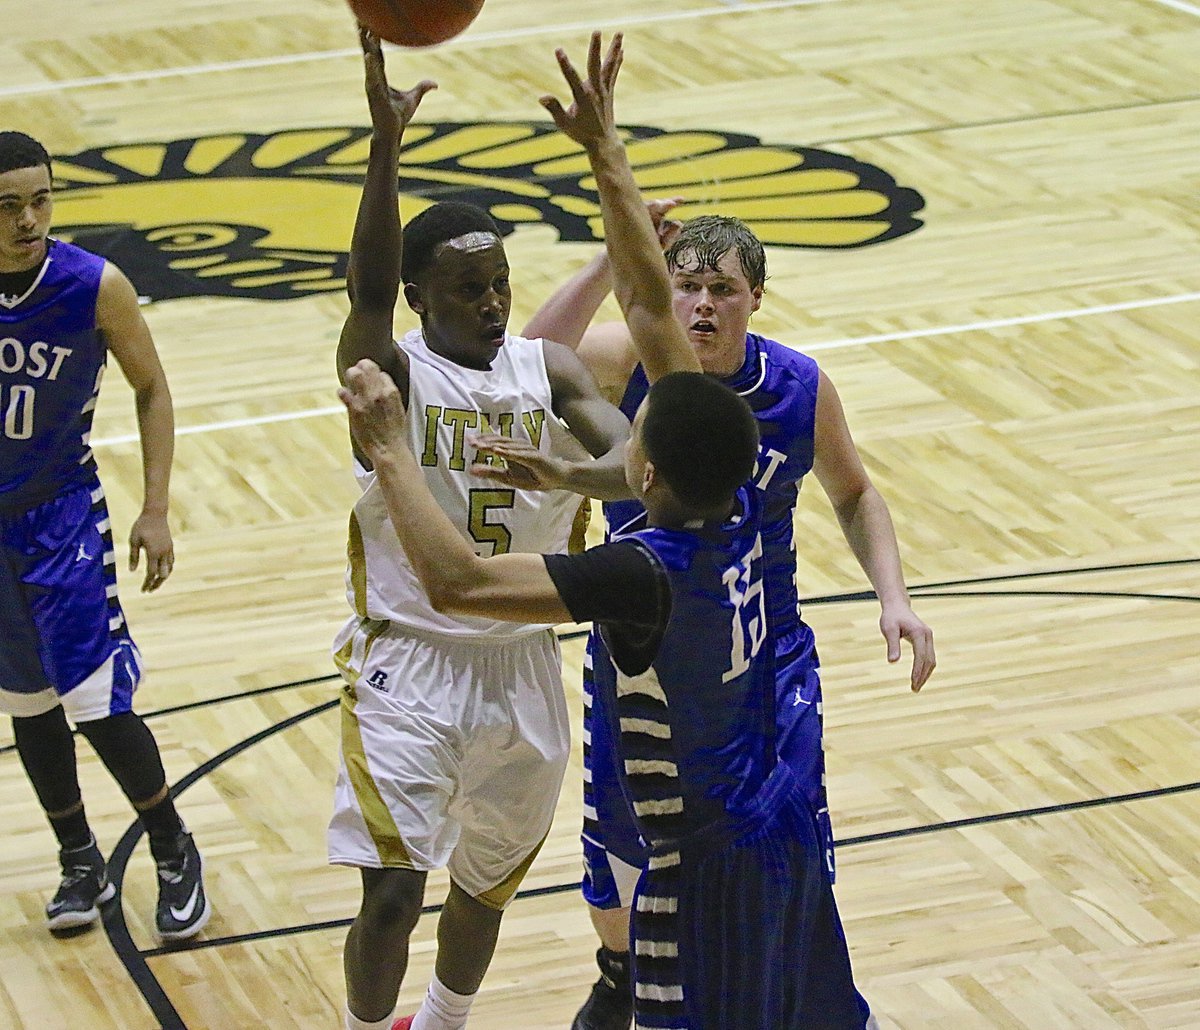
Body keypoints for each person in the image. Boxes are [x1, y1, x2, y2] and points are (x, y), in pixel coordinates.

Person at [336, 31, 872, 1028]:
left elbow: (459, 581)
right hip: (778, 804)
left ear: (649, 471)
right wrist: (607, 163)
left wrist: (393, 453)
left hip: (693, 852)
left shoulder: (642, 570)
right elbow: (649, 318)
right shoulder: (745, 511)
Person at [464, 39, 936, 1030]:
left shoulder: (797, 386)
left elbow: (855, 492)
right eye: (687, 286)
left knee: (770, 865)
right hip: (648, 641)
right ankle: (635, 981)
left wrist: (893, 594)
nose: (702, 304)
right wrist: (614, 240)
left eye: (722, 288)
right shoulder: (651, 365)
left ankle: (761, 999)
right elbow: (542, 353)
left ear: (754, 298)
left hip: (764, 657)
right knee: (619, 870)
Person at [330, 30, 632, 1030]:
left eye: (501, 281)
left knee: (483, 888)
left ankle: (445, 1023)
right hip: (409, 664)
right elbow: (366, 289)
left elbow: (634, 455)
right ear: (422, 298)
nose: (495, 301)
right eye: (469, 287)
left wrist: (573, 470)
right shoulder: (399, 372)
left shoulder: (549, 371)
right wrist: (385, 147)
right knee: (391, 894)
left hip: (524, 664)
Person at [0, 130, 209, 942]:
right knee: (29, 701)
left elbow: (151, 387)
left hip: (60, 520)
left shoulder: (93, 285)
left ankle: (171, 845)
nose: (29, 220)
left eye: (41, 200)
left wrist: (154, 507)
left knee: (94, 699)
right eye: (10, 205)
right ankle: (78, 857)